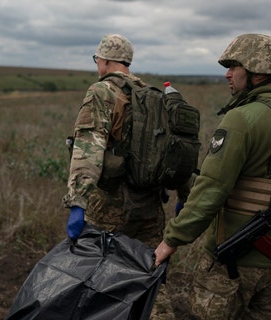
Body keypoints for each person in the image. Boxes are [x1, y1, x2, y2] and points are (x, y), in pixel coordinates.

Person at [153, 33, 271, 319]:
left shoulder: (242, 118)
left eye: (235, 67)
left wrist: (171, 239)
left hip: (231, 258)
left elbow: (211, 189)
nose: (227, 75)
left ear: (256, 72)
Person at [63, 33, 188, 319]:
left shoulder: (101, 92)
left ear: (105, 61)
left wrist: (78, 202)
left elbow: (88, 148)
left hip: (109, 207)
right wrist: (185, 193)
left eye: (97, 60)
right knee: (150, 277)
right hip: (151, 206)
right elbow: (177, 151)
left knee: (101, 280)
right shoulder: (155, 96)